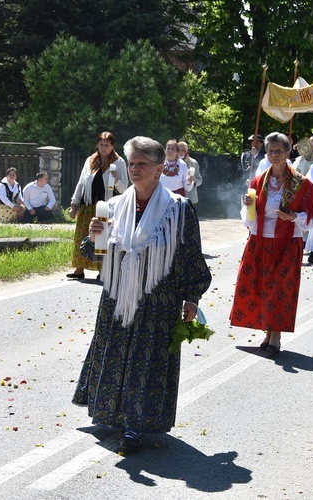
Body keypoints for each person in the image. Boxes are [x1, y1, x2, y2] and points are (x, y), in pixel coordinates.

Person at [72, 136, 211, 452]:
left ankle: (136, 424)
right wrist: (94, 237)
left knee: (146, 361)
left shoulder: (179, 210)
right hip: (117, 296)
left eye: (141, 164)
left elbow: (189, 255)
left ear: (159, 169)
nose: (134, 169)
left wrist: (192, 297)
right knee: (116, 352)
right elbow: (97, 255)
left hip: (158, 300)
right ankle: (113, 415)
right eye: (131, 163)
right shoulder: (114, 206)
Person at [230, 132, 313, 355]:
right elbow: (249, 220)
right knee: (259, 284)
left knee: (279, 288)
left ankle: (275, 335)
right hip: (260, 240)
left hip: (288, 242)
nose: (274, 155)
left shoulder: (303, 183)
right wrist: (249, 205)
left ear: (289, 153)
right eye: (270, 151)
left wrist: (293, 217)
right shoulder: (259, 181)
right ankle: (266, 332)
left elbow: (310, 221)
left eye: (279, 151)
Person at [69, 131, 128, 280]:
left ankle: (103, 270)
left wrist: (115, 181)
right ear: (97, 145)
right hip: (88, 205)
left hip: (106, 207)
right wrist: (74, 203)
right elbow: (81, 183)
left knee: (103, 238)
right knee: (82, 236)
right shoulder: (90, 160)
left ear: (113, 146)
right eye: (101, 144)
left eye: (107, 145)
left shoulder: (119, 163)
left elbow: (124, 188)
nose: (103, 147)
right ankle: (79, 269)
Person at [178, 141, 202, 205]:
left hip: (189, 198)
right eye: (179, 150)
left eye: (183, 150)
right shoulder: (171, 162)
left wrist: (195, 181)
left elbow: (200, 180)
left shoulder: (193, 163)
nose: (180, 152)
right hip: (174, 197)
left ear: (186, 151)